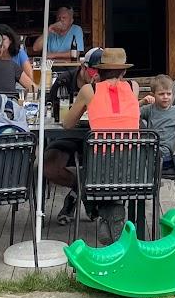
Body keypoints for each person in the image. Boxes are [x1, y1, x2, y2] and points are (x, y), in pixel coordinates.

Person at [42, 48, 140, 240]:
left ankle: (105, 212)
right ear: (124, 72)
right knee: (112, 162)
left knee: (91, 165)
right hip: (132, 170)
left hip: (99, 171)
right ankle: (110, 212)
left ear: (98, 70)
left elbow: (67, 124)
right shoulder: (133, 87)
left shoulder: (89, 90)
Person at [140, 74, 175, 168]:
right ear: (153, 95)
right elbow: (131, 113)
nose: (165, 97)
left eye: (169, 94)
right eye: (161, 94)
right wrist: (142, 102)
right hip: (150, 150)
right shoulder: (150, 109)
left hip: (164, 155)